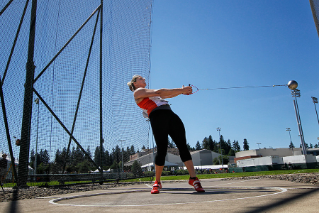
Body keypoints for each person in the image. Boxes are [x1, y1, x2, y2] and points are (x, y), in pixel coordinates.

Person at [127, 75, 205, 194]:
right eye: (140, 79)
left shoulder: (150, 93)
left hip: (170, 114)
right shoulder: (138, 92)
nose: (143, 79)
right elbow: (160, 92)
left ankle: (193, 178)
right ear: (135, 84)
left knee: (182, 146)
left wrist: (181, 91)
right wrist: (181, 90)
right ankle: (157, 182)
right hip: (157, 117)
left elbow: (166, 94)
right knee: (162, 148)